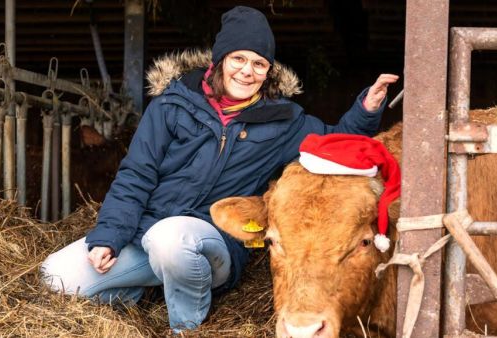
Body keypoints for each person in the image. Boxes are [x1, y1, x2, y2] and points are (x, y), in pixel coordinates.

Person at [41, 5, 398, 333]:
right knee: (54, 277)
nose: (247, 70)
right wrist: (109, 237)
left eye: (259, 64)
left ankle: (188, 326)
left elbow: (335, 144)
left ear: (268, 71)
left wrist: (366, 109)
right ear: (219, 60)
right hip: (146, 235)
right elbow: (136, 175)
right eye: (238, 58)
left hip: (214, 243)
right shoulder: (171, 106)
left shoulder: (284, 120)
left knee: (172, 239)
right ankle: (148, 289)